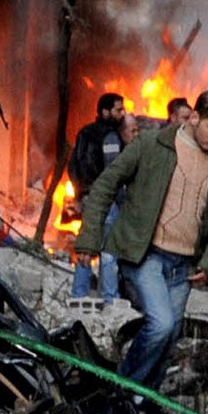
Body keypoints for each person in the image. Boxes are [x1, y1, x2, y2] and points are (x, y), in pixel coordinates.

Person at [73, 89, 208, 389]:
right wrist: (89, 238)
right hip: (146, 255)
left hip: (184, 267)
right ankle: (123, 391)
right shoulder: (152, 144)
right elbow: (106, 185)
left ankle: (143, 405)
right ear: (195, 117)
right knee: (160, 326)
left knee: (169, 339)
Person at [69, 93, 129, 304]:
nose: (123, 114)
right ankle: (110, 298)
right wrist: (122, 201)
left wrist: (79, 194)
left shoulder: (84, 132)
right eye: (118, 110)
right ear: (105, 112)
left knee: (87, 245)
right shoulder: (111, 137)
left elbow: (73, 166)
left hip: (87, 198)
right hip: (106, 200)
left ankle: (78, 293)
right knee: (108, 249)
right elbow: (114, 172)